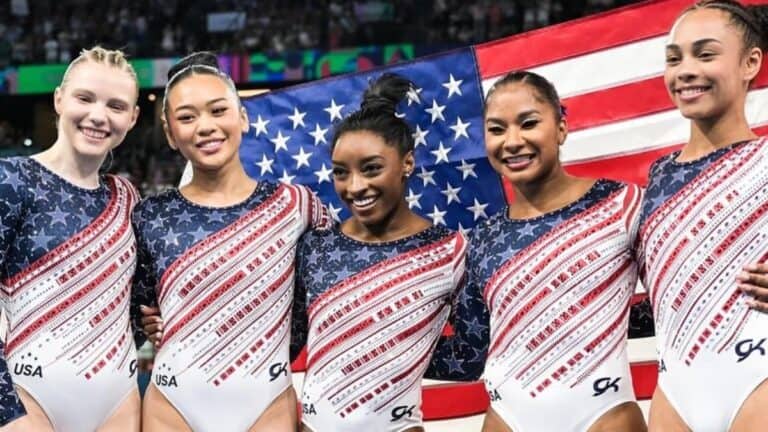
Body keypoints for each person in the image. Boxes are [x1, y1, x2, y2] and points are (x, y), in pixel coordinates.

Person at [429, 70, 647, 432]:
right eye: (497, 129)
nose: (512, 141)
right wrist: (387, 348)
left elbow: (678, 299)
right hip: (508, 420)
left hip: (603, 415)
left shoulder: (621, 204)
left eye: (528, 123)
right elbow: (469, 356)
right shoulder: (484, 238)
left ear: (561, 127)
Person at [131, 52, 330, 432]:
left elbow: (327, 298)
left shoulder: (297, 205)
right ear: (171, 134)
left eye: (218, 110)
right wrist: (156, 322)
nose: (205, 126)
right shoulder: (149, 215)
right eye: (187, 117)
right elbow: (132, 313)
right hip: (172, 406)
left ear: (242, 116)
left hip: (267, 402)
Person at [291, 73, 467, 432]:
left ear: (407, 163)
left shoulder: (449, 252)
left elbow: (475, 352)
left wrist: (400, 360)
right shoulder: (316, 246)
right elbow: (285, 341)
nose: (355, 187)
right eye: (341, 173)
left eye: (371, 169)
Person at [638, 1, 768, 430]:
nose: (685, 70)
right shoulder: (658, 176)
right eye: (674, 59)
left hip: (758, 380)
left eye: (705, 54)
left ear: (751, 62)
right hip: (675, 390)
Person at [0, 46, 141, 431]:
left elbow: (133, 305)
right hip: (28, 397)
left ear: (132, 117)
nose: (98, 115)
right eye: (85, 98)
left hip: (118, 398)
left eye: (116, 105)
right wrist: (6, 411)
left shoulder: (128, 197)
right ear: (59, 99)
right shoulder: (11, 180)